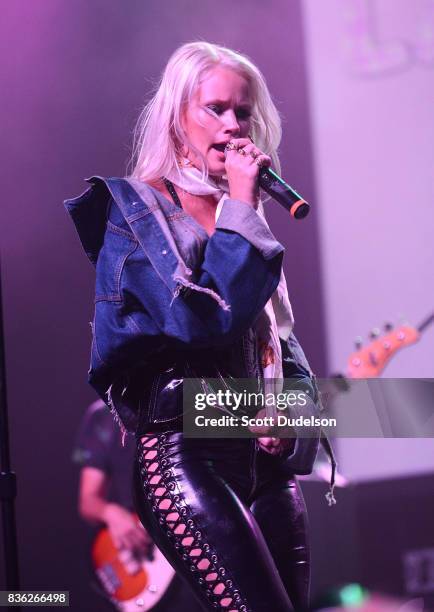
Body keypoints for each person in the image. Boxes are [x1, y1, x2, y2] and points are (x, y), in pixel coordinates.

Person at [65, 41, 334, 612]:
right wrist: (241, 203)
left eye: (242, 111)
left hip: (266, 467)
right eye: (215, 108)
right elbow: (201, 321)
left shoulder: (246, 215)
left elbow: (282, 349)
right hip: (187, 454)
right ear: (178, 116)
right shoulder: (137, 214)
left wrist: (294, 419)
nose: (233, 125)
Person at [73, 398, 204, 611]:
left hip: (204, 548)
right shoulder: (103, 414)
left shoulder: (197, 400)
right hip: (147, 556)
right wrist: (111, 512)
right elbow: (88, 501)